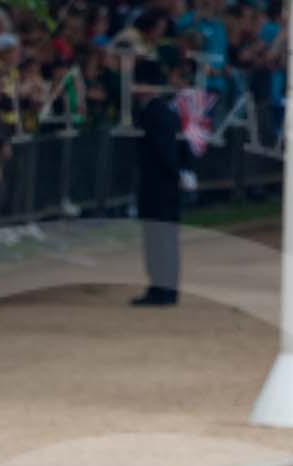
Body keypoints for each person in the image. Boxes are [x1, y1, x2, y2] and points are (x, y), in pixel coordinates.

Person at [130, 57, 183, 307]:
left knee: (159, 238)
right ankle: (164, 287)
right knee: (163, 238)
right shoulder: (162, 110)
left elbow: (163, 152)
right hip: (163, 183)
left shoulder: (155, 112)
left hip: (158, 184)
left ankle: (162, 288)